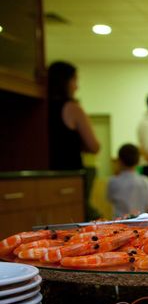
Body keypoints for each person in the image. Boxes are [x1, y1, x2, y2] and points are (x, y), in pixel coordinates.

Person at [47, 61, 101, 219]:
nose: (76, 86)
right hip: (70, 172)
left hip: (47, 173)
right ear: (66, 82)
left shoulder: (41, 107)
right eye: (75, 81)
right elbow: (94, 146)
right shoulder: (71, 108)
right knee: (78, 215)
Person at [107, 144, 148, 217]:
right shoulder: (145, 181)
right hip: (141, 223)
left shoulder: (113, 181)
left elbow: (109, 199)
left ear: (119, 160)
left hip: (120, 224)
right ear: (138, 161)